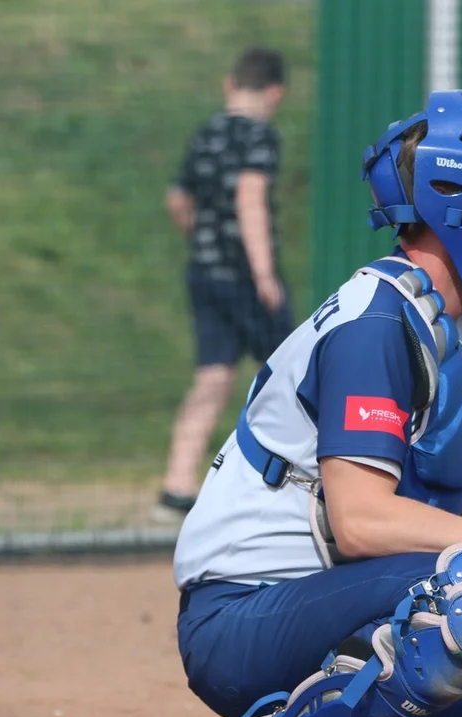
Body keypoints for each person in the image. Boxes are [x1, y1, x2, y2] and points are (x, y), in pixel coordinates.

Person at [171, 89, 462, 717]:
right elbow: (362, 522)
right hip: (243, 616)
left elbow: (448, 491)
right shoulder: (373, 328)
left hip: (341, 589)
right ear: (447, 202)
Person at [153, 47, 295, 522]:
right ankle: (293, 483)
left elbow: (177, 199)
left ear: (229, 84)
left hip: (204, 272)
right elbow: (250, 200)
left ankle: (176, 488)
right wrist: (264, 274)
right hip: (245, 278)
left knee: (212, 376)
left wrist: (200, 236)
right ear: (276, 91)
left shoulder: (207, 133)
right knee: (291, 375)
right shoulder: (259, 136)